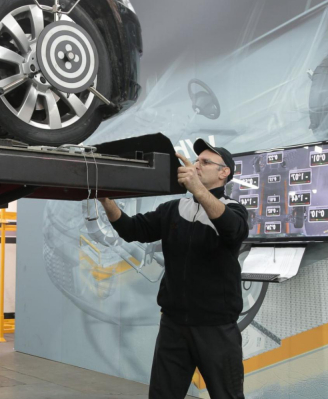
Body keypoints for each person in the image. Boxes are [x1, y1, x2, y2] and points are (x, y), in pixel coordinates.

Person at [98, 139, 248, 399]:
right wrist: (105, 199)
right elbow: (133, 229)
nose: (197, 165)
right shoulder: (173, 209)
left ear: (224, 173)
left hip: (215, 327)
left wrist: (198, 189)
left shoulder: (232, 210)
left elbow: (232, 230)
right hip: (173, 324)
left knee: (228, 395)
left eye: (205, 162)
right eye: (196, 160)